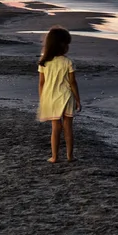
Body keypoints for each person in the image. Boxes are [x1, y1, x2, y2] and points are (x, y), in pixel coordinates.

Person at [37, 26, 81, 163]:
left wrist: (42, 98)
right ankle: (70, 156)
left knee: (55, 127)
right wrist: (78, 99)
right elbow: (72, 82)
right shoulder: (68, 62)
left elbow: (41, 83)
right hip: (67, 97)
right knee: (68, 127)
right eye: (67, 44)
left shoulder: (44, 62)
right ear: (62, 45)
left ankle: (55, 156)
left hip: (50, 97)